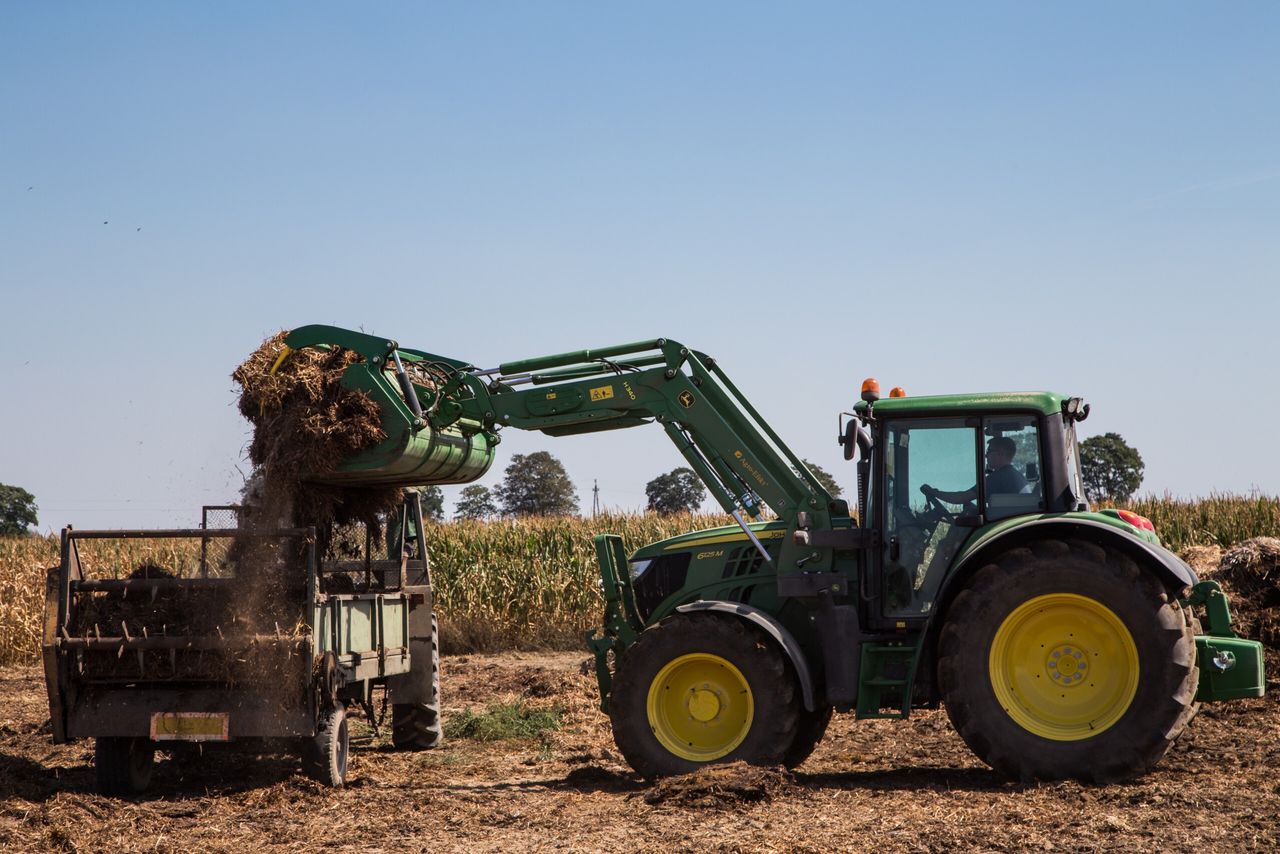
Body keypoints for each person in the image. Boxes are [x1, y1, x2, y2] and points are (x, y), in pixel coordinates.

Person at [921, 436, 1027, 505]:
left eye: (989, 451)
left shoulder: (998, 478)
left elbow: (961, 498)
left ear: (1001, 453)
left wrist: (934, 492)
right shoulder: (1017, 476)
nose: (986, 455)